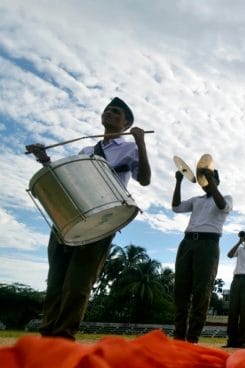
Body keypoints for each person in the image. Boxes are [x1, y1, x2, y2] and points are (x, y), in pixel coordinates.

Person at [26, 97, 151, 340]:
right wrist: (46, 161)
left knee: (78, 283)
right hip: (69, 218)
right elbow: (71, 182)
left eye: (116, 112)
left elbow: (144, 179)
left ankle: (63, 335)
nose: (109, 113)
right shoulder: (85, 150)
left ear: (126, 124)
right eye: (107, 110)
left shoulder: (129, 149)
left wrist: (141, 143)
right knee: (55, 281)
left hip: (101, 220)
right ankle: (47, 335)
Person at [171, 163, 232, 343]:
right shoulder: (197, 200)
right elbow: (176, 207)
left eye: (211, 178)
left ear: (217, 181)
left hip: (208, 245)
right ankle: (179, 336)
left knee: (201, 291)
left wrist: (211, 181)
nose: (205, 181)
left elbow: (221, 205)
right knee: (181, 289)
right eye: (204, 178)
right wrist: (178, 182)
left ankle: (192, 338)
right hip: (188, 242)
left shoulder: (226, 198)